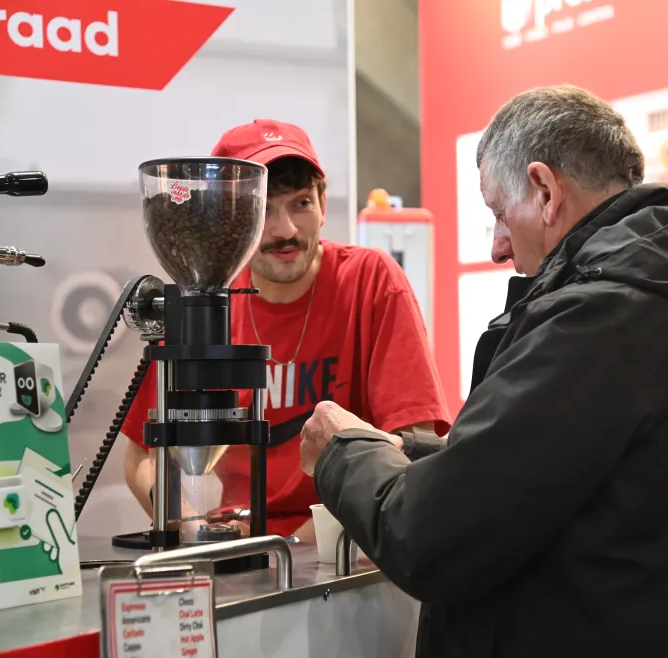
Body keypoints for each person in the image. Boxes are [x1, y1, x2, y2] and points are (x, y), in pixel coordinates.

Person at [299, 85, 668, 657]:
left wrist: (343, 451)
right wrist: (405, 453)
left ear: (544, 191)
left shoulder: (599, 321)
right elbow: (557, 474)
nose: (496, 246)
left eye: (497, 213)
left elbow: (434, 537)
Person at [122, 118, 451, 542]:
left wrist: (298, 542)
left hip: (342, 547)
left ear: (323, 204)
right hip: (237, 548)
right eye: (263, 210)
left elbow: (414, 444)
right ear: (226, 218)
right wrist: (194, 529)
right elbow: (143, 458)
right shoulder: (204, 302)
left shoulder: (370, 282)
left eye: (300, 203)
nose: (285, 231)